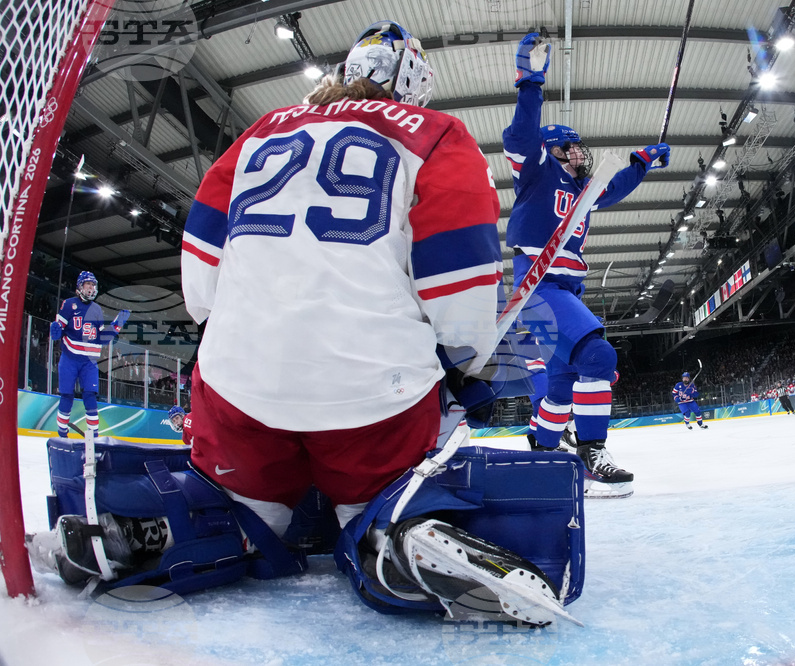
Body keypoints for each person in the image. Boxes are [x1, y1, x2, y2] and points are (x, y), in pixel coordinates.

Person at [178, 21, 564, 622]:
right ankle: (391, 540)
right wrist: (461, 364)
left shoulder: (258, 131)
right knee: (375, 501)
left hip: (236, 387)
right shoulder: (437, 134)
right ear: (413, 84)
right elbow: (458, 289)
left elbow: (200, 278)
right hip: (369, 397)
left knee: (244, 509)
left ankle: (192, 531)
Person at [504, 32, 669, 493]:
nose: (579, 152)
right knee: (597, 354)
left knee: (560, 387)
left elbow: (612, 188)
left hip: (560, 290)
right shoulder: (536, 171)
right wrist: (530, 83)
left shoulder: (583, 193)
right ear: (551, 150)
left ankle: (543, 454)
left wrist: (640, 162)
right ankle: (592, 452)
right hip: (539, 286)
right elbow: (520, 134)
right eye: (570, 147)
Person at [49, 271, 130, 437]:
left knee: (90, 397)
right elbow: (58, 330)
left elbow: (100, 339)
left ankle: (93, 435)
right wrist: (55, 331)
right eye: (88, 284)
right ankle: (62, 433)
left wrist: (116, 325)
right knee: (67, 395)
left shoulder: (97, 310)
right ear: (80, 286)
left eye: (93, 285)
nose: (92, 288)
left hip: (89, 362)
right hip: (69, 358)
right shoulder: (68, 304)